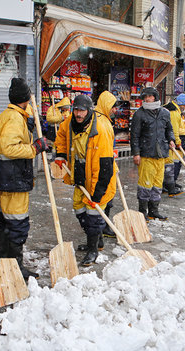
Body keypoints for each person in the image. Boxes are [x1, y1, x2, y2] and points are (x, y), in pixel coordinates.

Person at [0, 78, 47, 280]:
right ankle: (15, 265)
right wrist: (35, 148)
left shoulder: (5, 116)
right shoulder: (14, 119)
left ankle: (5, 260)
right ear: (25, 100)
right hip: (13, 178)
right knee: (16, 222)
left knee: (5, 221)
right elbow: (9, 147)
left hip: (3, 177)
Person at [54, 94, 116, 266]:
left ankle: (93, 249)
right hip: (80, 173)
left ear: (89, 111)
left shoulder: (100, 130)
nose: (78, 114)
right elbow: (61, 135)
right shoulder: (71, 122)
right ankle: (96, 239)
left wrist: (96, 196)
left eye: (82, 111)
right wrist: (60, 154)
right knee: (79, 208)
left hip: (101, 178)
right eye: (76, 110)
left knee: (94, 215)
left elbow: (104, 168)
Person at [130, 87, 175, 221]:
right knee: (145, 184)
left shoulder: (165, 113)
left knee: (157, 184)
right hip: (146, 154)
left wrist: (171, 139)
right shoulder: (139, 114)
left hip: (161, 154)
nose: (147, 99)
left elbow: (169, 129)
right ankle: (142, 211)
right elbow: (135, 135)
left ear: (155, 97)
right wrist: (136, 153)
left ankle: (153, 210)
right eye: (145, 97)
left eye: (149, 96)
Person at [94, 90, 120, 239]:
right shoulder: (100, 122)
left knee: (108, 197)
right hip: (101, 164)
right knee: (103, 197)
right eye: (113, 107)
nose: (115, 110)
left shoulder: (104, 119)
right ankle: (99, 230)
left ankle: (103, 227)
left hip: (108, 162)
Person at [162, 93, 185, 197]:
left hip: (165, 140)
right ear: (182, 104)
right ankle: (170, 188)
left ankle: (167, 186)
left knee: (167, 164)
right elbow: (173, 130)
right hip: (167, 142)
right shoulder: (174, 112)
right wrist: (177, 142)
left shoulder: (174, 109)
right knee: (169, 164)